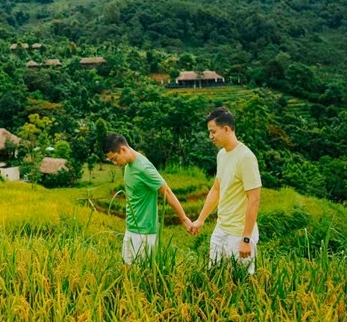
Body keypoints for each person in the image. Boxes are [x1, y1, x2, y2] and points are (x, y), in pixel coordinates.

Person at [189, 107, 262, 275]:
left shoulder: (246, 157)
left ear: (226, 129)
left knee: (240, 282)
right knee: (214, 276)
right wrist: (201, 219)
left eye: (213, 132)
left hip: (239, 234)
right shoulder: (222, 155)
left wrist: (246, 238)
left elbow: (254, 199)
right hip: (221, 229)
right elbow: (216, 189)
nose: (210, 136)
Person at [103, 133, 193, 264]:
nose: (115, 163)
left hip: (143, 233)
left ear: (123, 149)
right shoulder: (128, 166)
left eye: (115, 159)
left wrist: (184, 219)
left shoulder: (144, 168)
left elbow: (166, 191)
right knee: (128, 272)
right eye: (111, 160)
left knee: (141, 277)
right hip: (131, 228)